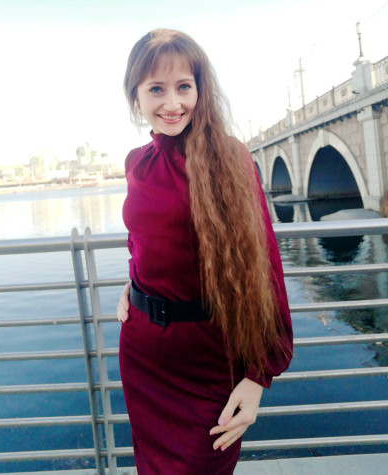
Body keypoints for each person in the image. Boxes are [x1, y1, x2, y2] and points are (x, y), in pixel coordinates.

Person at [117, 28, 293, 475]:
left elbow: (265, 266)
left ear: (200, 89)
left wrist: (258, 376)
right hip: (144, 355)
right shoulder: (136, 162)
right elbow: (143, 236)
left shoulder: (228, 157)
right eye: (156, 89)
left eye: (184, 86)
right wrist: (133, 282)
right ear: (136, 95)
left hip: (209, 357)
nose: (172, 103)